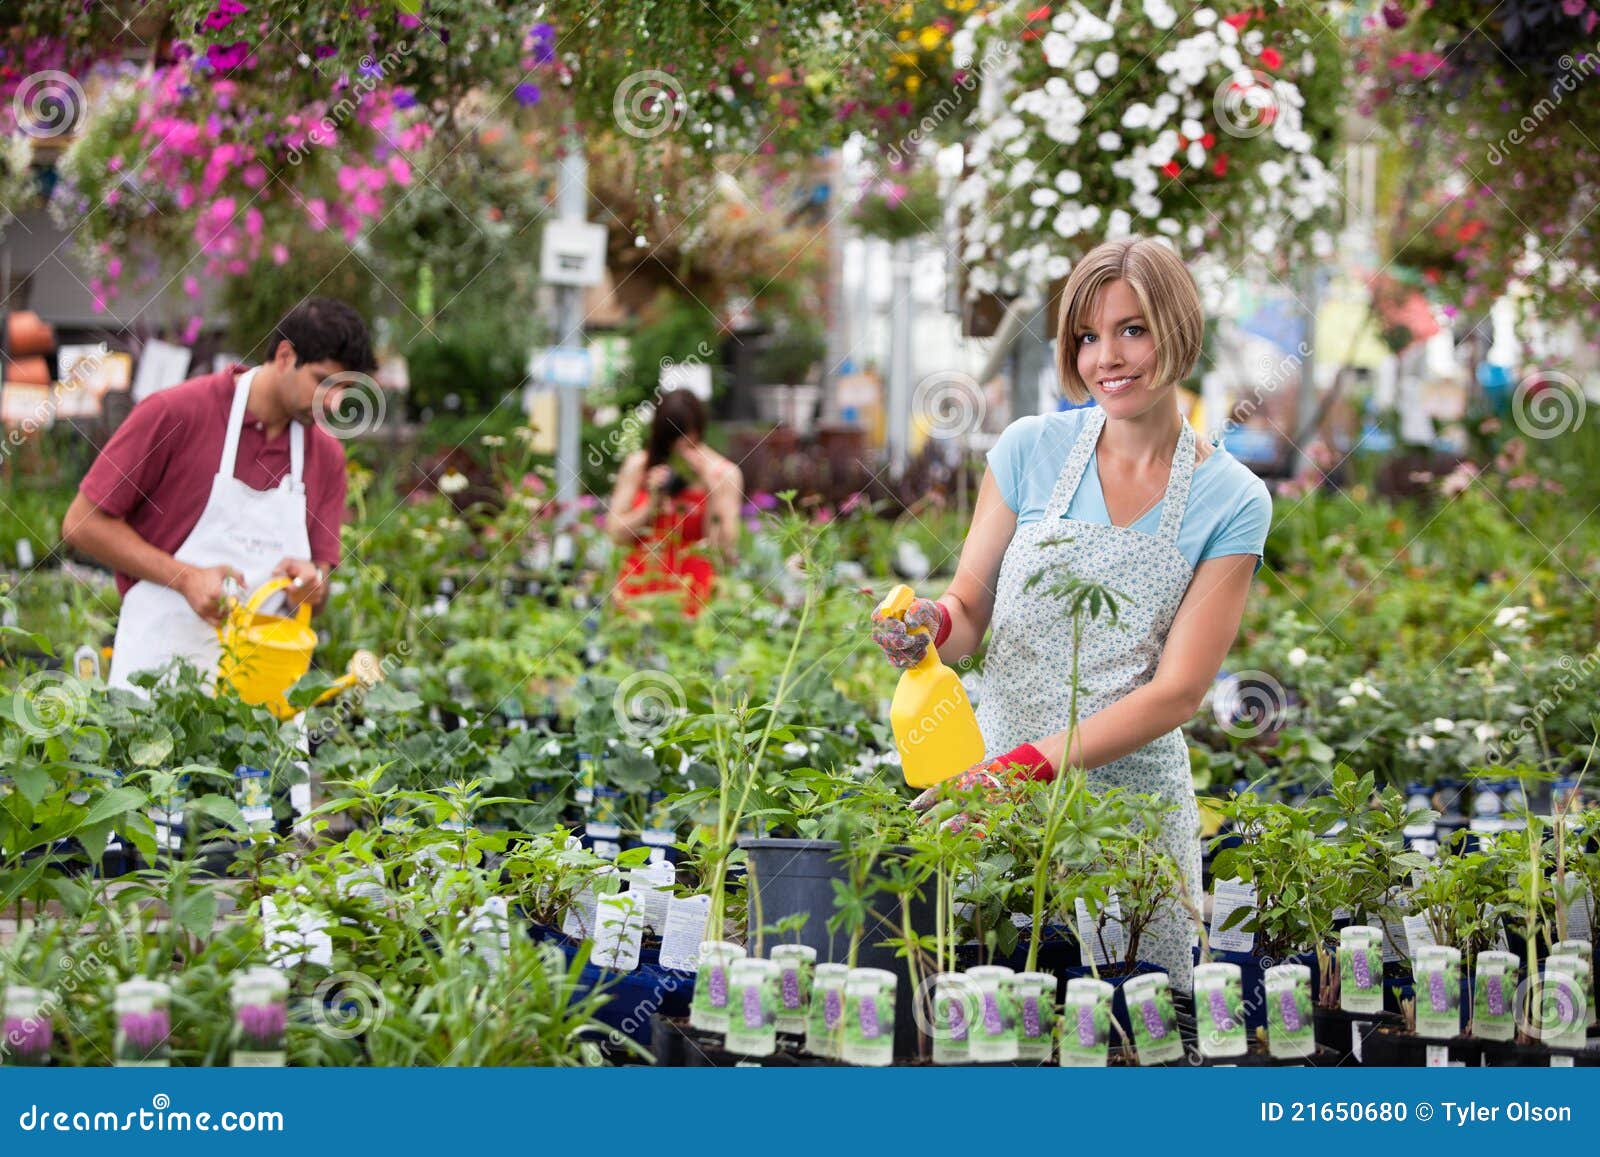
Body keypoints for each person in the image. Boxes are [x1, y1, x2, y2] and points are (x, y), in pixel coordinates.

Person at [870, 238, 1271, 992]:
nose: (1106, 358)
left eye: (1133, 329)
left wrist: (1023, 768)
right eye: (1087, 336)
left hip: (1127, 821)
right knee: (988, 1025)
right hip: (994, 804)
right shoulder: (1030, 449)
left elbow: (1179, 692)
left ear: (1178, 329)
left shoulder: (1233, 499)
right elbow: (970, 608)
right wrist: (927, 625)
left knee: (1124, 1037)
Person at [63, 298, 375, 691]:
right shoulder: (176, 413)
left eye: (345, 388)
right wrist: (186, 578)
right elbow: (81, 523)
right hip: (159, 682)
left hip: (263, 699)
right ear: (284, 355)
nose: (333, 403)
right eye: (322, 381)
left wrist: (313, 583)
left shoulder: (326, 456)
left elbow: (319, 582)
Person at [606, 389, 742, 618]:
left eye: (686, 440)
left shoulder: (723, 474)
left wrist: (711, 490)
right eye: (671, 440)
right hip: (639, 594)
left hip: (695, 597)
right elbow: (615, 534)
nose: (678, 448)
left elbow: (723, 550)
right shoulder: (639, 466)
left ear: (698, 431)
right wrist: (651, 503)